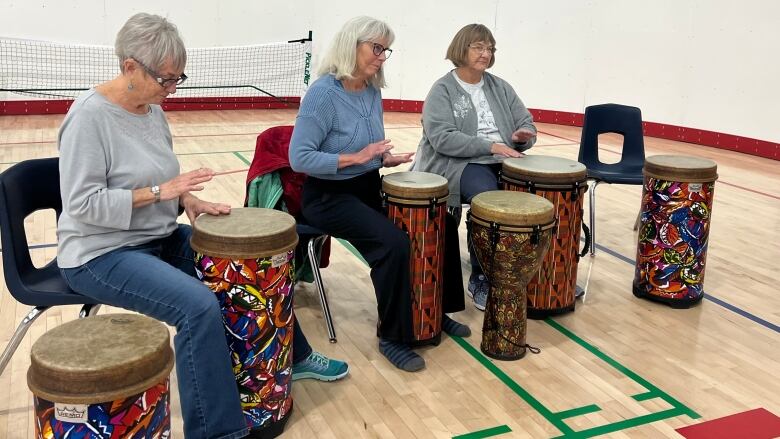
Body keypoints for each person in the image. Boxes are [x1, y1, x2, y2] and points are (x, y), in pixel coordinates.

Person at [56, 13, 345, 439]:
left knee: (251, 263)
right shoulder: (88, 119)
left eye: (178, 78)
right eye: (165, 78)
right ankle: (217, 431)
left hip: (157, 236)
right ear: (129, 67)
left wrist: (188, 200)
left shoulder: (151, 110)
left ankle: (294, 357)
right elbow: (82, 207)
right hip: (100, 252)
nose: (172, 89)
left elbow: (161, 177)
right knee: (197, 307)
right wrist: (161, 192)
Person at [289, 16, 471, 374]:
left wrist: (384, 158)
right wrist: (356, 157)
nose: (382, 56)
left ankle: (434, 312)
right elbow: (300, 157)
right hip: (328, 196)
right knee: (393, 244)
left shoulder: (372, 90)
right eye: (376, 48)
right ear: (351, 44)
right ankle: (393, 336)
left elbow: (366, 147)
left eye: (386, 49)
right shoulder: (323, 94)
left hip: (367, 185)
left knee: (441, 224)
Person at [412, 23, 538, 312]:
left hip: (503, 158)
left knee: (535, 194)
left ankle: (527, 273)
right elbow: (442, 138)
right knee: (489, 199)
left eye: (490, 48)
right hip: (460, 163)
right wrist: (490, 146)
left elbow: (525, 121)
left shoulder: (500, 86)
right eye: (478, 47)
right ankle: (481, 276)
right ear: (462, 48)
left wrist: (523, 136)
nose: (486, 53)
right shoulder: (443, 89)